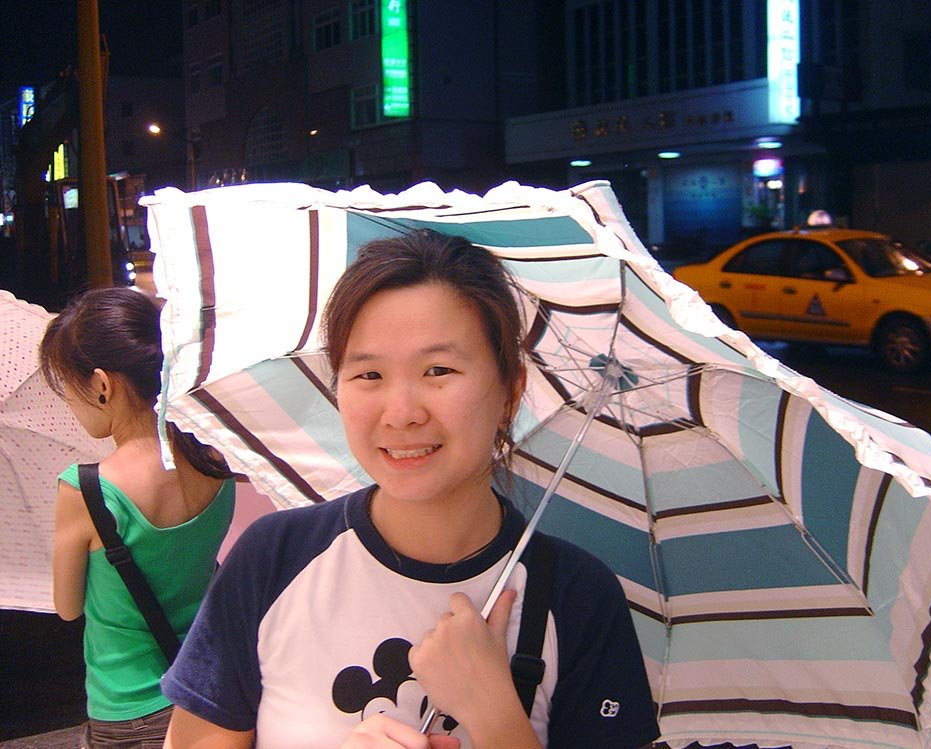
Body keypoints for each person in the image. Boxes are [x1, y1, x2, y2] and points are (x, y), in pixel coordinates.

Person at [161, 230, 660, 748]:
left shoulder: (576, 595)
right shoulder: (274, 557)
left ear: (510, 391)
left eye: (438, 370)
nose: (401, 414)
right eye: (368, 374)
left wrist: (495, 715)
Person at [40, 286, 236, 749]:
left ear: (102, 385)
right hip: (207, 689)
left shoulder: (87, 489)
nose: (69, 403)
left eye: (69, 388)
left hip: (127, 710)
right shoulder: (214, 458)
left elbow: (67, 608)